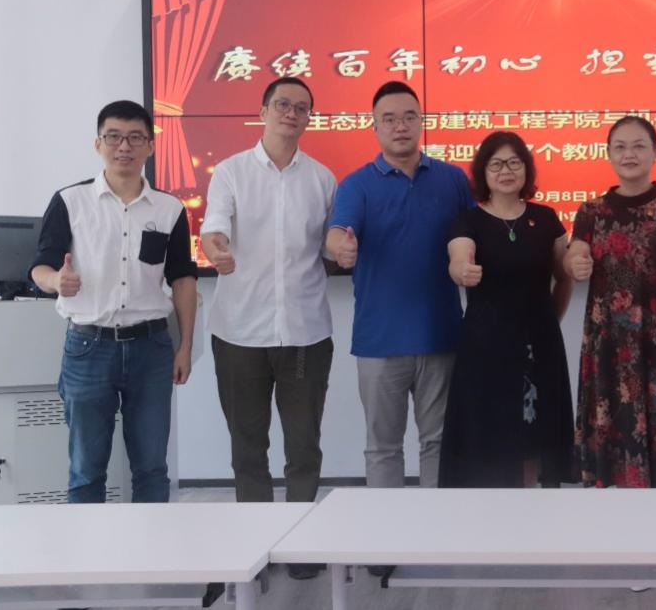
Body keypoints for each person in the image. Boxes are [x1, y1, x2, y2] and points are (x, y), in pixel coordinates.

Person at [200, 78, 335, 579]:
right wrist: (215, 246)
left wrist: (343, 247)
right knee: (248, 447)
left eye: (302, 107)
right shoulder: (231, 172)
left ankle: (300, 549)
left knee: (304, 447)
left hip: (304, 332)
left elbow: (331, 240)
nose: (291, 113)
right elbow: (215, 224)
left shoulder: (322, 179)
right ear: (262, 111)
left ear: (309, 118)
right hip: (240, 332)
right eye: (282, 104)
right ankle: (255, 548)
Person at [29, 100, 197, 503]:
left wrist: (185, 347)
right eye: (114, 137)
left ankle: (149, 545)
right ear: (98, 144)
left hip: (151, 348)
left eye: (136, 137)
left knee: (152, 468)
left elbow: (182, 280)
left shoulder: (170, 209)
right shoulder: (70, 201)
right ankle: (89, 546)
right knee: (87, 469)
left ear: (150, 146)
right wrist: (56, 281)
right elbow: (39, 266)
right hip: (88, 347)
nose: (124, 146)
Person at [325, 81, 474, 496]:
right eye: (389, 119)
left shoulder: (452, 179)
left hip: (441, 335)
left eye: (409, 117)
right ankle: (385, 532)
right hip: (379, 341)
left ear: (421, 122)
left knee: (439, 443)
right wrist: (341, 247)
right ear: (374, 127)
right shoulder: (357, 184)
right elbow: (337, 232)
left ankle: (437, 528)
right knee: (383, 448)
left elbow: (476, 233)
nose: (400, 126)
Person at [564, 116, 656, 488]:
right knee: (610, 460)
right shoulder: (591, 212)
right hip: (607, 350)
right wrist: (574, 262)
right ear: (608, 154)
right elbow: (575, 254)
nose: (629, 154)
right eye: (620, 147)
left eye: (639, 146)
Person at [439, 131, 575, 488]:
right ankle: (489, 513)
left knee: (533, 436)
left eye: (514, 163)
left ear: (526, 170)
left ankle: (529, 507)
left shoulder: (546, 218)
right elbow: (459, 257)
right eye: (496, 164)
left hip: (538, 346)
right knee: (489, 435)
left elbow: (564, 275)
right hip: (485, 347)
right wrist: (462, 271)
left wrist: (550, 321)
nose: (506, 171)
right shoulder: (468, 221)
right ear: (483, 172)